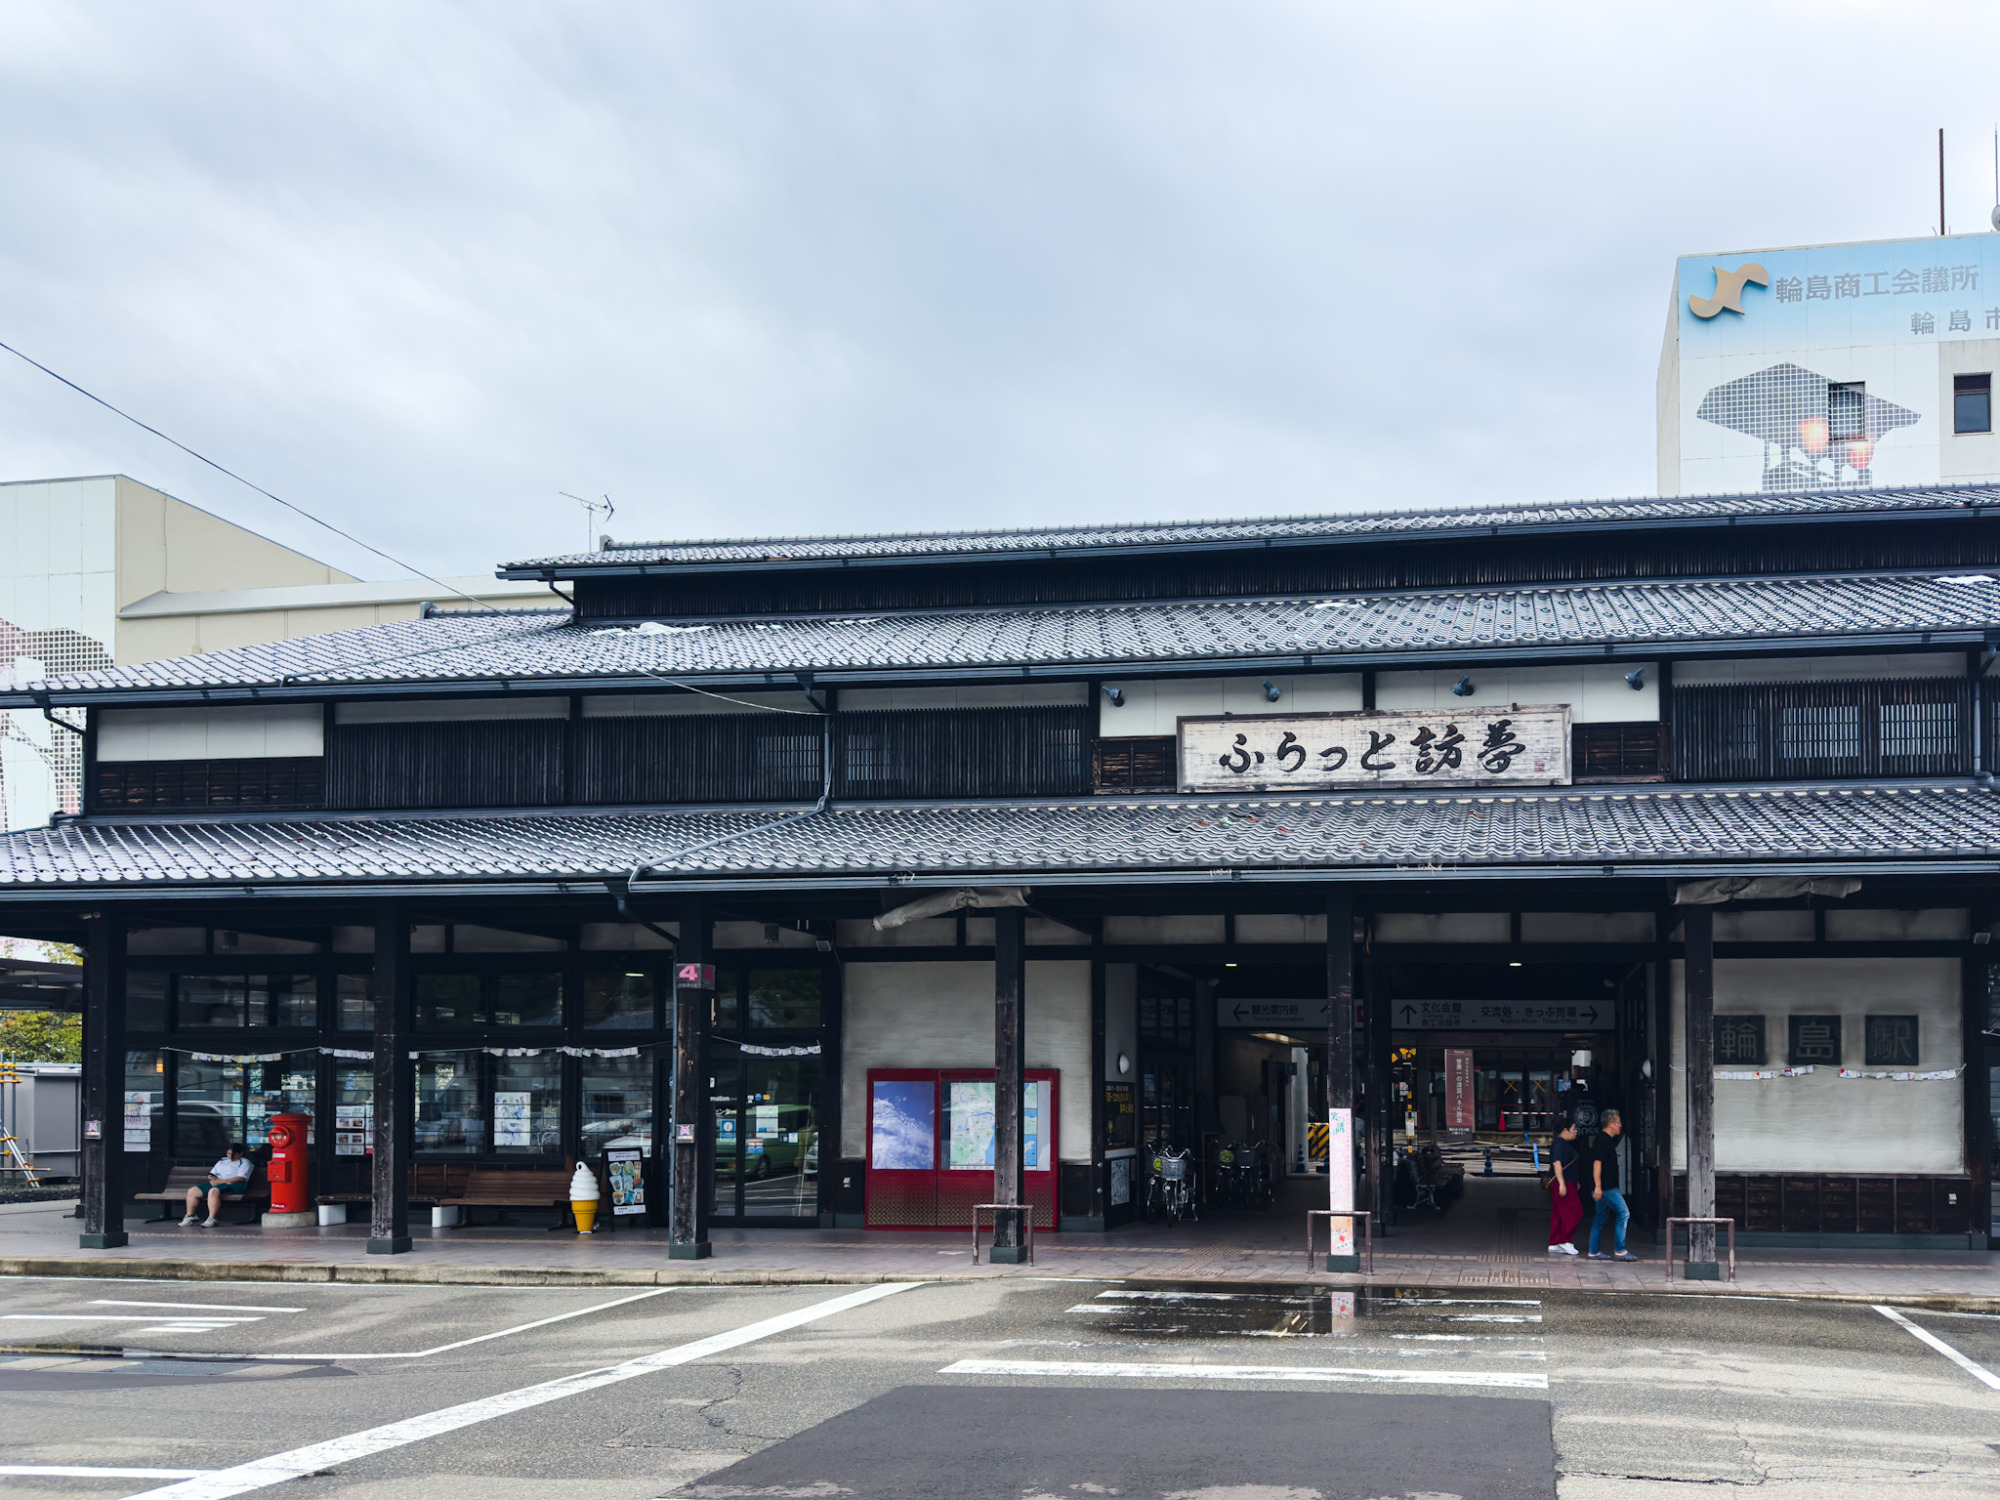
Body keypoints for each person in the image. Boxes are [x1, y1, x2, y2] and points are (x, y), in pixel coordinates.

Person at [1586, 1110, 1637, 1261]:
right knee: (1624, 1213)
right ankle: (1620, 1250)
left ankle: (1593, 1251)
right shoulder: (1604, 1141)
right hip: (1607, 1187)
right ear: (1611, 1123)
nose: (1620, 1126)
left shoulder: (1603, 1140)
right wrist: (1598, 1186)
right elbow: (1597, 1164)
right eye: (1619, 1122)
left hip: (1603, 1187)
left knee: (1600, 1218)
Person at [181, 1143, 253, 1227]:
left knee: (213, 1191)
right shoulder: (222, 1161)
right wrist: (212, 1178)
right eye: (229, 1153)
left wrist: (222, 1181)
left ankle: (212, 1218)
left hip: (234, 1185)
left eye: (234, 1154)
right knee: (193, 1191)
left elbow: (242, 1178)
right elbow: (212, 1173)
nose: (231, 1156)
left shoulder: (245, 1162)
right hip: (218, 1183)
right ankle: (190, 1216)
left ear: (241, 1153)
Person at [1546, 1119, 1582, 1255]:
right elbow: (1557, 1164)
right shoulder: (1560, 1144)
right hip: (1564, 1183)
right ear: (1565, 1130)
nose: (1575, 1132)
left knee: (1558, 1214)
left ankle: (1554, 1241)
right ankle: (1565, 1240)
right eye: (1573, 1129)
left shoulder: (1561, 1144)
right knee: (1575, 1212)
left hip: (1568, 1182)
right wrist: (1561, 1183)